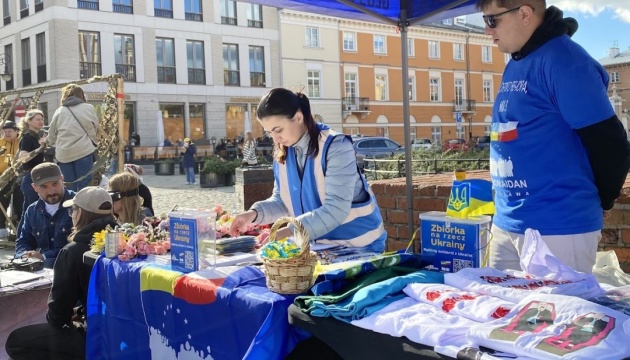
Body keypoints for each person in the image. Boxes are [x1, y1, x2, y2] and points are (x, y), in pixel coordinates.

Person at [476, 0, 630, 273]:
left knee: (554, 316)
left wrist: (604, 199)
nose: (487, 31)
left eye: (492, 20)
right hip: (507, 223)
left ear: (524, 13)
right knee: (499, 314)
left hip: (558, 228)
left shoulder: (565, 61)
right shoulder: (517, 61)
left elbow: (611, 144)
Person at [229, 88, 386, 256]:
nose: (275, 139)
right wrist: (253, 214)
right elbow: (283, 202)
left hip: (360, 247)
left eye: (278, 130)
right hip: (319, 251)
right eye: (269, 133)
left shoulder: (336, 146)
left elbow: (336, 209)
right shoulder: (284, 151)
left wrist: (288, 231)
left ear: (298, 117)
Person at [5, 186, 117, 360]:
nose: (71, 215)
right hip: (123, 330)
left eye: (73, 210)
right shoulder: (126, 241)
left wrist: (74, 317)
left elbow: (57, 315)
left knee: (16, 341)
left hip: (96, 336)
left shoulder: (73, 250)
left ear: (80, 213)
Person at [14, 163, 75, 268]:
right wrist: (24, 256)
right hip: (41, 271)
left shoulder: (78, 204)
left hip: (71, 269)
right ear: (34, 187)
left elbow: (81, 246)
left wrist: (44, 256)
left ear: (62, 179)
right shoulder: (32, 211)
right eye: (44, 186)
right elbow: (23, 241)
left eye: (55, 184)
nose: (51, 191)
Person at [48, 83, 99, 192]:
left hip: (64, 154)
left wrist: (49, 143)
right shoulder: (88, 108)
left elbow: (51, 135)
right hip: (84, 150)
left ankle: (70, 208)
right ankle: (83, 208)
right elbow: (95, 127)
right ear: (81, 95)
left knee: (68, 187)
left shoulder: (59, 111)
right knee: (85, 186)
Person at [17, 110, 47, 217]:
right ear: (29, 121)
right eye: (38, 119)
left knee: (28, 213)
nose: (41, 121)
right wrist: (40, 148)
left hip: (36, 176)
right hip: (30, 177)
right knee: (32, 212)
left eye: (42, 119)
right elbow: (23, 158)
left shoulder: (36, 136)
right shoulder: (27, 138)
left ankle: (22, 233)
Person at [0, 121, 24, 238]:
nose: (7, 134)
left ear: (16, 131)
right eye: (5, 132)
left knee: (19, 201)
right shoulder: (1, 143)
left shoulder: (22, 142)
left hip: (18, 176)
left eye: (9, 131)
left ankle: (18, 226)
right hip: (3, 177)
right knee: (3, 201)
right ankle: (1, 227)